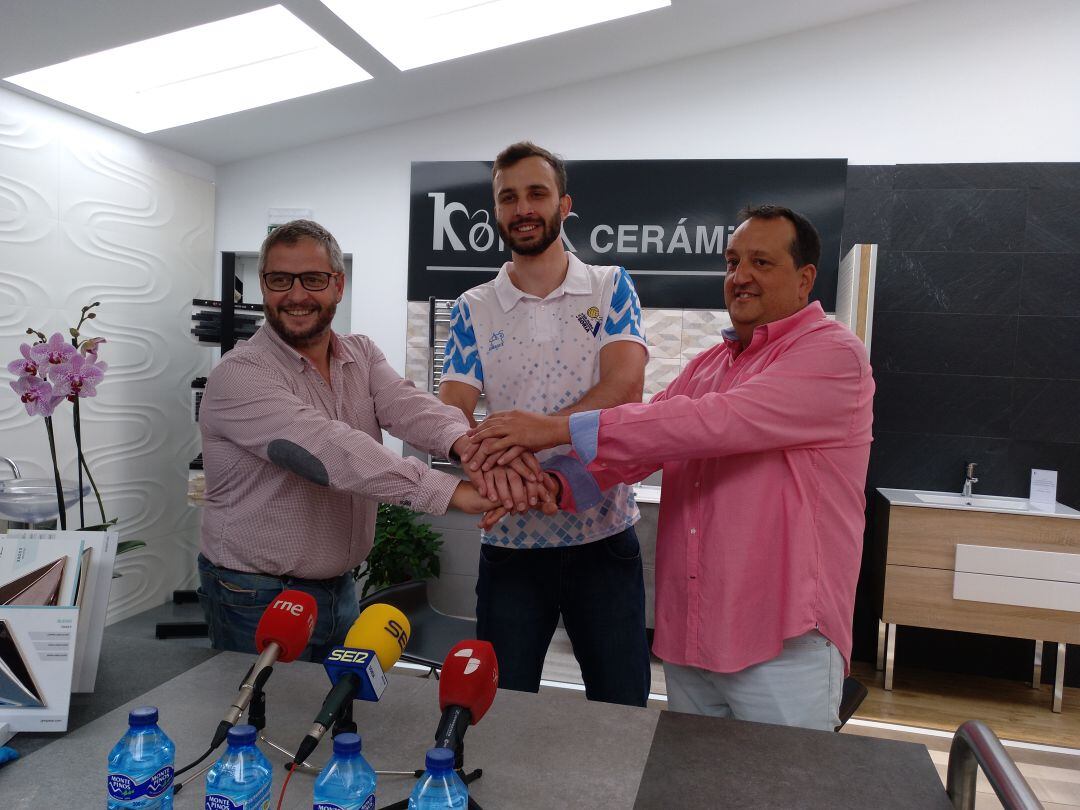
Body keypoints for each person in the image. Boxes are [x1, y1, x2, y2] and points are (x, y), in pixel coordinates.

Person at [468, 205, 875, 730]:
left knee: (780, 794)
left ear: (805, 279)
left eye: (761, 262)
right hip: (692, 639)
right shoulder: (709, 366)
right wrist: (550, 484)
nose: (740, 276)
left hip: (781, 642)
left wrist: (555, 427)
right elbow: (642, 446)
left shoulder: (833, 355)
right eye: (732, 262)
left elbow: (714, 423)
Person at [198, 219, 500, 661]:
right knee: (262, 721)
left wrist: (467, 446)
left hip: (339, 587)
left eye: (314, 279)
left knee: (332, 715)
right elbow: (330, 452)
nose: (297, 295)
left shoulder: (360, 354)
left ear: (338, 285)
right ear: (263, 286)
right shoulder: (239, 375)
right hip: (257, 595)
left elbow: (408, 406)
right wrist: (453, 491)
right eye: (280, 279)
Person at [438, 142, 652, 706]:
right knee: (499, 709)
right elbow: (452, 414)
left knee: (621, 708)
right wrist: (502, 469)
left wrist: (540, 430)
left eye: (537, 193)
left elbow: (625, 389)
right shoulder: (472, 306)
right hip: (511, 542)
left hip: (602, 538)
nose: (523, 207)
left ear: (564, 203)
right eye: (508, 197)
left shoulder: (611, 287)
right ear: (496, 212)